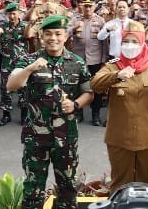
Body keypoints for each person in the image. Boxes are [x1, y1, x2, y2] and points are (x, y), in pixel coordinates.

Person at [6, 14, 94, 209]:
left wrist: (75, 104)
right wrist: (29, 69)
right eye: (48, 34)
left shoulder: (77, 62)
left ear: (65, 36)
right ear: (41, 37)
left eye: (57, 34)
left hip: (66, 136)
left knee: (68, 187)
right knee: (33, 188)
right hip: (36, 136)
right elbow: (11, 85)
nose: (53, 38)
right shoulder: (29, 60)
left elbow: (89, 93)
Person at [91, 20, 148, 189]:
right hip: (119, 137)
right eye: (126, 41)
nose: (129, 45)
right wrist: (117, 75)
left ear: (142, 43)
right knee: (120, 185)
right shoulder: (113, 66)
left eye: (135, 41)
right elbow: (95, 85)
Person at [69, 0, 107, 126]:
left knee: (95, 88)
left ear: (95, 6)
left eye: (90, 6)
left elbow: (104, 43)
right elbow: (65, 34)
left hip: (95, 60)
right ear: (81, 6)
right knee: (77, 88)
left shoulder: (100, 21)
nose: (88, 8)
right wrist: (74, 28)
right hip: (78, 59)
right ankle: (78, 113)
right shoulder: (75, 20)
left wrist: (103, 61)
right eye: (85, 6)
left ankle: (95, 115)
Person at [0, 2, 30, 127]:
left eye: (14, 13)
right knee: (5, 88)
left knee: (23, 88)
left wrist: (31, 24)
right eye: (9, 14)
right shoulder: (3, 25)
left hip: (21, 62)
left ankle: (24, 115)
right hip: (7, 62)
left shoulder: (25, 26)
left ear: (19, 13)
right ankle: (6, 115)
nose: (12, 16)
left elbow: (29, 35)